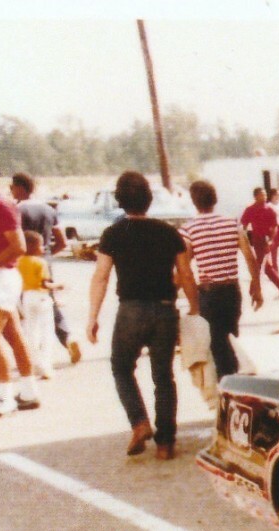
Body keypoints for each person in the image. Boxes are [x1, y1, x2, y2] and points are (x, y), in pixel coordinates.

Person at [87, 170, 201, 461]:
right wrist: (195, 308)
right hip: (164, 309)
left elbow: (100, 277)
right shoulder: (168, 232)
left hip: (130, 310)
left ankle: (139, 423)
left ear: (120, 200)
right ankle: (166, 443)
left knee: (121, 368)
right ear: (149, 199)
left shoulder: (113, 233)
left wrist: (92, 316)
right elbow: (186, 274)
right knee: (163, 376)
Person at [182, 179, 264, 383]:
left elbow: (185, 268)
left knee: (218, 348)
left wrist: (190, 300)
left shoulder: (189, 229)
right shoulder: (232, 222)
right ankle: (235, 384)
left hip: (209, 294)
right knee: (231, 340)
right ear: (214, 199)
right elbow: (248, 254)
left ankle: (229, 391)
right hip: (232, 292)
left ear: (194, 202)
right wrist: (256, 285)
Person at [0, 154, 41, 420]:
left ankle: (5, 397)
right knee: (13, 335)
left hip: (0, 277)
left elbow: (19, 246)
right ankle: (28, 392)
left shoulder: (1, 204)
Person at [10, 171, 82, 369]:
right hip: (44, 260)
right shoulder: (48, 210)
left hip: (21, 263)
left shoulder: (16, 210)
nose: (10, 191)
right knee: (47, 302)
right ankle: (67, 337)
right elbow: (61, 240)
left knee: (25, 309)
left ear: (20, 188)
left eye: (12, 187)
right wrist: (47, 254)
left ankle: (30, 355)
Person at [17, 231, 61, 382]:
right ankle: (46, 366)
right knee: (46, 332)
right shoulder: (40, 262)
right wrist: (59, 286)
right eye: (40, 245)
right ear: (34, 247)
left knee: (31, 331)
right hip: (41, 297)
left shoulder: (19, 261)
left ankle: (33, 363)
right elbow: (44, 284)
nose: (43, 248)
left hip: (26, 298)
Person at [239, 187, 279, 297]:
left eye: (265, 194)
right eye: (262, 194)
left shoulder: (270, 210)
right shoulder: (250, 209)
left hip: (267, 240)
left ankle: (254, 289)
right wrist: (244, 239)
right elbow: (244, 225)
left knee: (261, 265)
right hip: (257, 240)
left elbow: (275, 227)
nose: (265, 197)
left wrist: (271, 240)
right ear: (256, 196)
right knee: (264, 266)